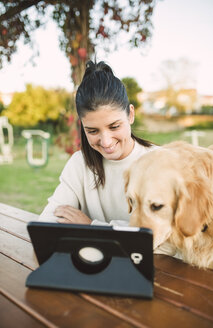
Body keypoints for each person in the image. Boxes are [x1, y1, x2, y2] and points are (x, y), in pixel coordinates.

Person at [39, 60, 158, 226]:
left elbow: (160, 235)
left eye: (114, 126)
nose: (106, 142)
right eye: (93, 131)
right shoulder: (79, 164)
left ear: (130, 114)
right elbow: (49, 221)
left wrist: (90, 226)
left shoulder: (159, 162)